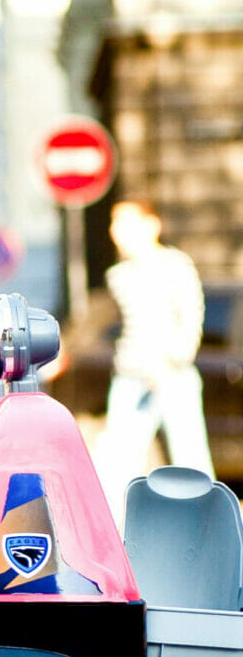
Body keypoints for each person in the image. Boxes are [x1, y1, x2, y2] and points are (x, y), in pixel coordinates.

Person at [94, 198, 213, 499]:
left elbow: (191, 316)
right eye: (114, 224)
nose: (116, 232)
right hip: (130, 376)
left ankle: (209, 529)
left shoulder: (175, 265)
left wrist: (171, 360)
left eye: (125, 223)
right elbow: (108, 326)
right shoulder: (117, 275)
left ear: (151, 225)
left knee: (191, 459)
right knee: (119, 463)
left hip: (173, 375)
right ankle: (121, 532)